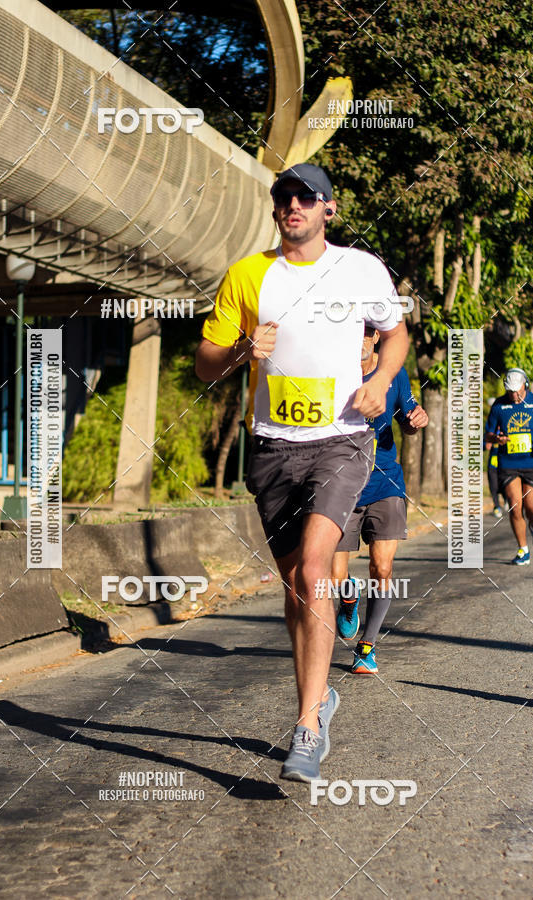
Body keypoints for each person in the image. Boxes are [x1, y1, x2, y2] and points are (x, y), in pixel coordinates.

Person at [195, 163, 409, 782]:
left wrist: (382, 380)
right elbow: (206, 366)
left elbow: (395, 334)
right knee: (298, 586)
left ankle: (307, 726)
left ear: (328, 210)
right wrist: (241, 350)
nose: (294, 205)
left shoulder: (362, 269)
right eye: (285, 196)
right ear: (276, 208)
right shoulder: (247, 276)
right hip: (271, 449)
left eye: (307, 197)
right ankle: (320, 700)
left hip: (342, 440)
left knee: (316, 570)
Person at [330, 326, 428, 674]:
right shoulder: (334, 372)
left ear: (374, 337)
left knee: (382, 568)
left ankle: (367, 647)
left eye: (365, 333)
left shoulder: (393, 375)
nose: (358, 340)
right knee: (336, 572)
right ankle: (348, 597)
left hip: (386, 484)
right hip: (342, 486)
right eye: (351, 332)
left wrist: (417, 420)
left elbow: (409, 419)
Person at [485, 367, 533, 565]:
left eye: (518, 390)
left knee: (532, 507)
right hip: (509, 464)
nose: (514, 395)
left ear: (526, 385)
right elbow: (488, 434)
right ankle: (523, 550)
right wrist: (496, 438)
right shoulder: (499, 406)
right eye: (510, 391)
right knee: (515, 506)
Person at [485, 398, 505, 518]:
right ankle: (496, 506)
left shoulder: (506, 428)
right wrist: (486, 444)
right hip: (493, 463)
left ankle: (507, 500)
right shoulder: (490, 430)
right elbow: (484, 442)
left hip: (505, 462)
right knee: (493, 486)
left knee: (504, 485)